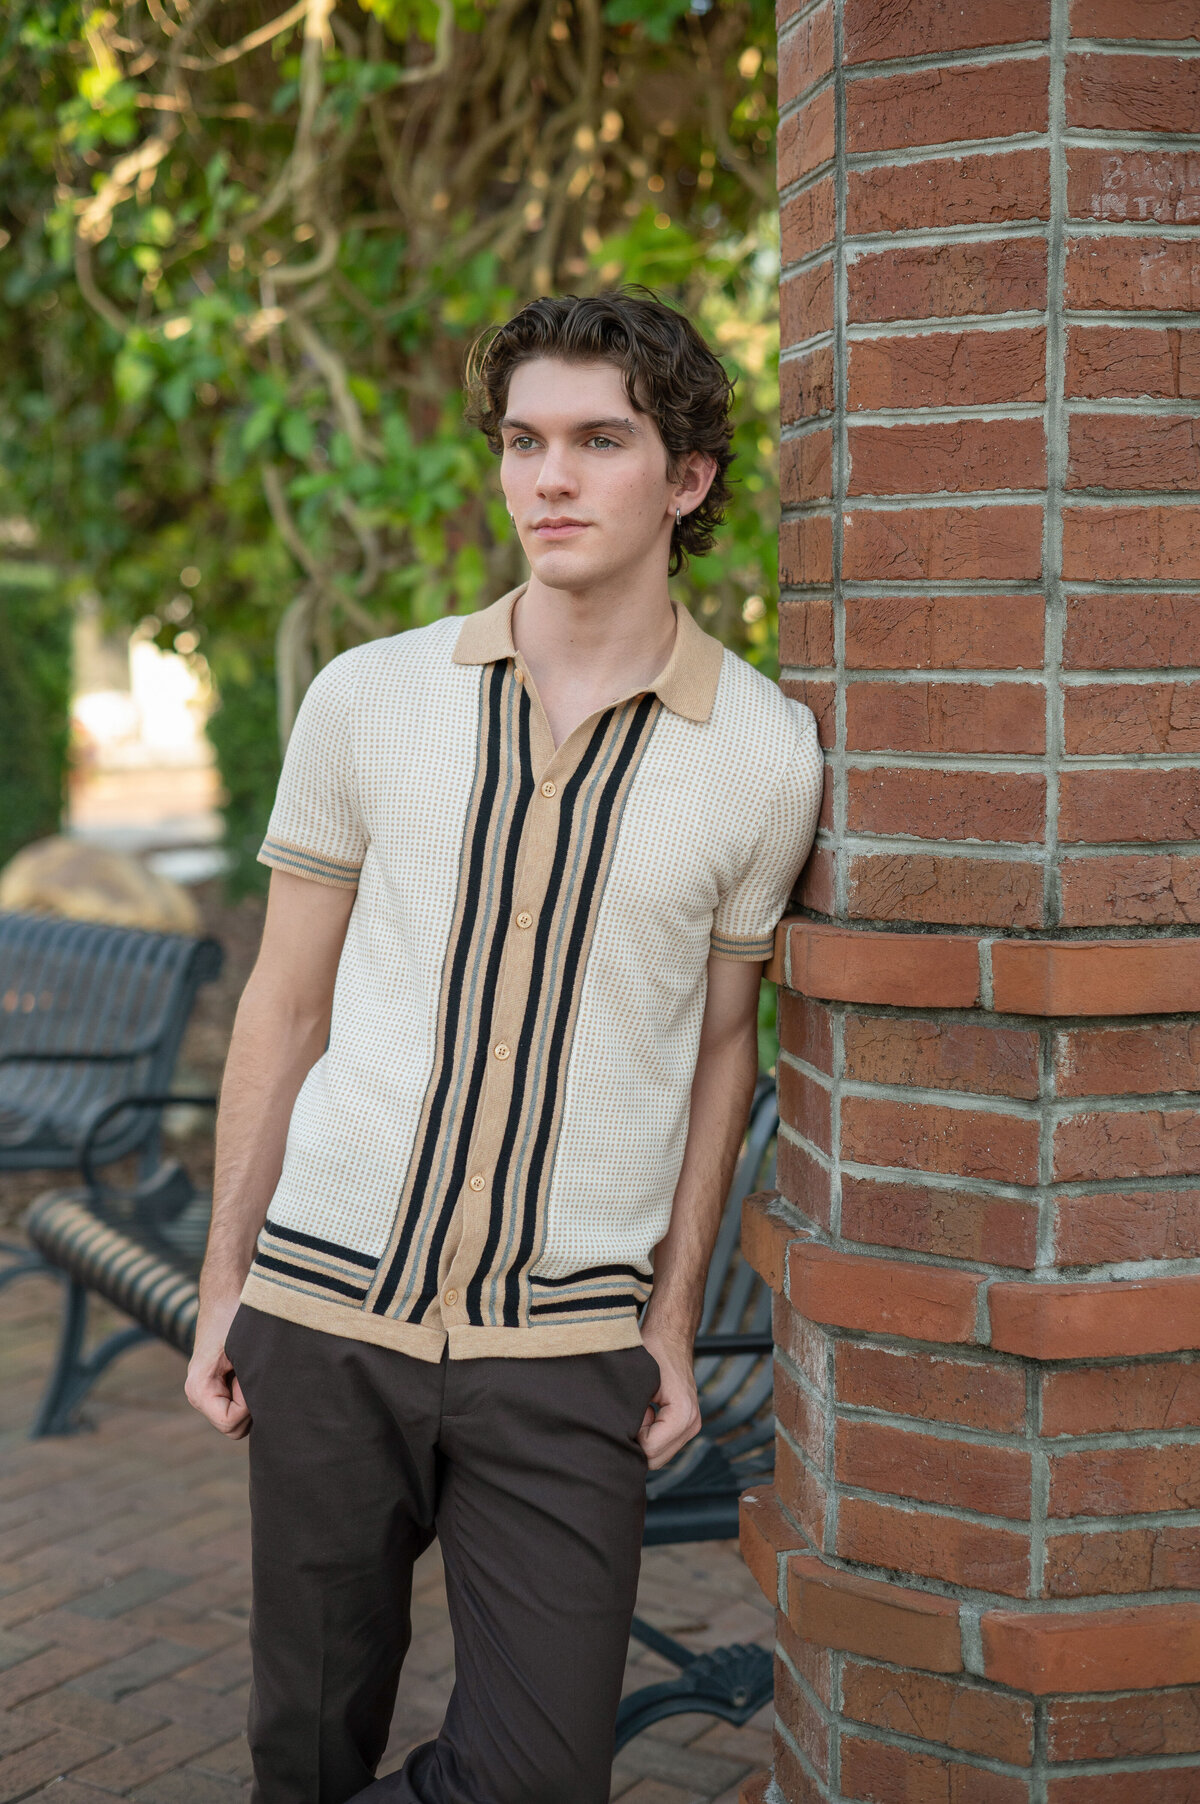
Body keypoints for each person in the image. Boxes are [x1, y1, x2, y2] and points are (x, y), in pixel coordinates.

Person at [185, 288, 823, 1804]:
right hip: (328, 1313)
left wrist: (671, 1321)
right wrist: (226, 1286)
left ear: (687, 479)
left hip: (570, 1350)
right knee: (305, 1741)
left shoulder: (763, 752)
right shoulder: (371, 698)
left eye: (600, 441)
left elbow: (722, 1057)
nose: (549, 477)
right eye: (525, 439)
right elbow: (281, 1009)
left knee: (538, 1775)